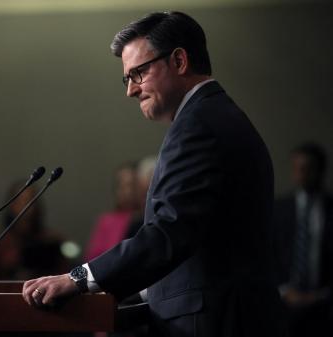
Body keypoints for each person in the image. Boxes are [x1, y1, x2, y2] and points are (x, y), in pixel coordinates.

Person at [22, 11, 286, 336]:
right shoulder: (213, 116)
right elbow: (198, 242)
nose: (130, 91)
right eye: (127, 78)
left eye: (139, 73)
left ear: (179, 61)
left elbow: (169, 233)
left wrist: (78, 278)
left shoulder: (199, 125)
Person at [273, 143, 333, 337]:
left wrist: (321, 294)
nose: (301, 174)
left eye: (307, 168)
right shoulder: (279, 209)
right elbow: (269, 252)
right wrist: (283, 289)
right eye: (297, 168)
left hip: (324, 305)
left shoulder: (331, 209)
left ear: (320, 170)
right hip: (283, 303)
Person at [0, 180, 71, 280]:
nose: (29, 207)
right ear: (12, 205)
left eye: (33, 201)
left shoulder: (53, 241)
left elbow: (64, 277)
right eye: (23, 201)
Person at [85, 162, 139, 261]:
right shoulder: (107, 220)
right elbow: (92, 257)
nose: (127, 192)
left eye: (131, 185)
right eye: (121, 186)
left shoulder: (146, 218)